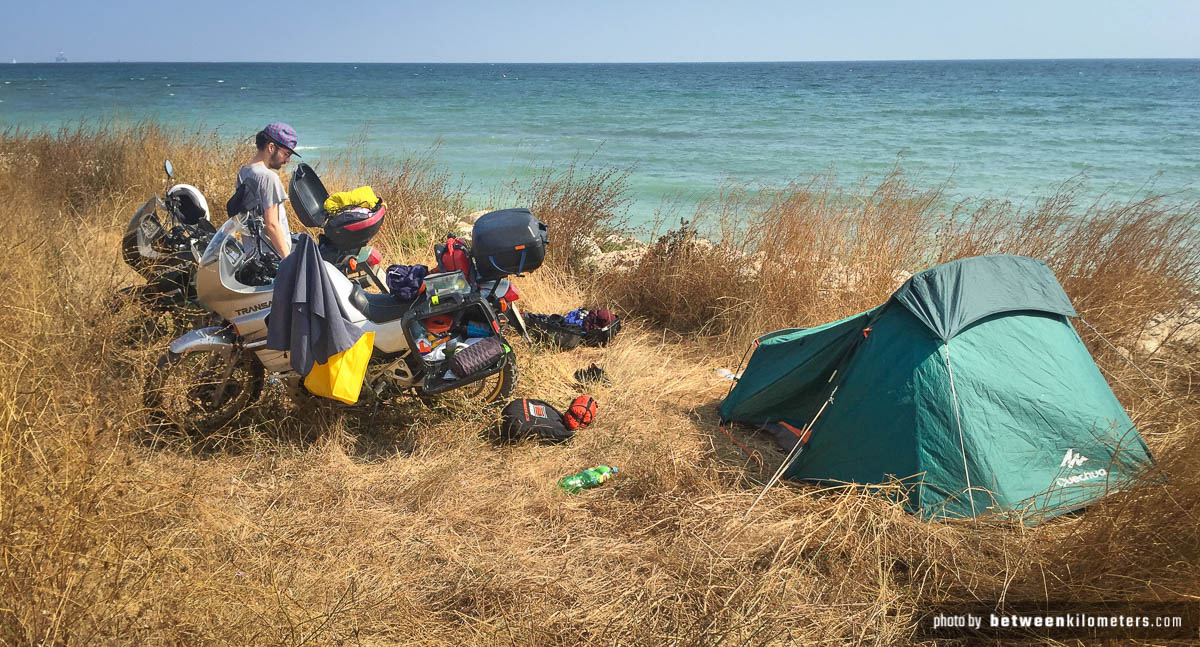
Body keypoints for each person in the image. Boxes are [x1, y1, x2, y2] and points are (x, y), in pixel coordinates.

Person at [236, 122, 300, 258]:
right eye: (286, 154)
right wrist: (288, 260)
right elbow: (272, 224)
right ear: (271, 147)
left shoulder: (244, 172)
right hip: (273, 258)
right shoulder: (268, 177)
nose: (288, 160)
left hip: (254, 257)